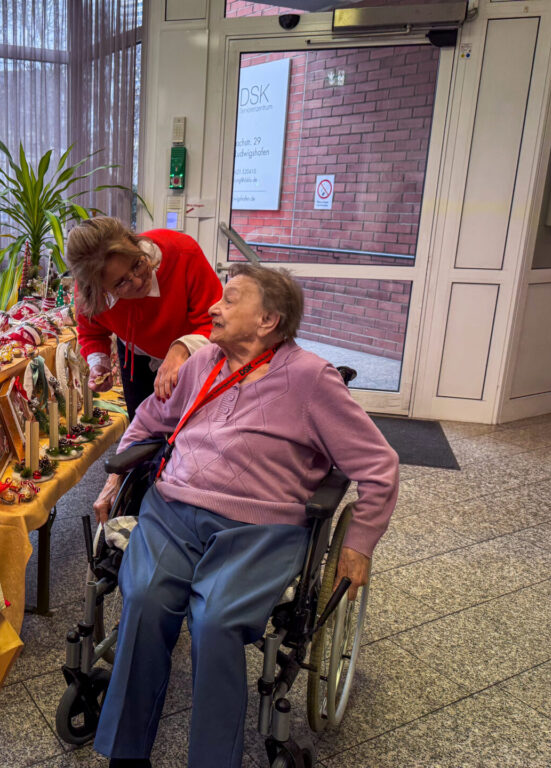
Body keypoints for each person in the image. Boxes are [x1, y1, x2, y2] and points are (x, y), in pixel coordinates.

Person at [91, 264, 399, 768]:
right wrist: (112, 478)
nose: (214, 307)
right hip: (172, 511)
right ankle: (126, 754)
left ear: (267, 320)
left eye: (230, 300)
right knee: (144, 599)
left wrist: (358, 543)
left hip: (260, 528)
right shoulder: (203, 362)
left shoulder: (310, 379)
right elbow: (150, 418)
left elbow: (378, 466)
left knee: (216, 622)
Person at [65, 217, 223, 419]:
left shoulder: (182, 252)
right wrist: (99, 364)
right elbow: (93, 333)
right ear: (100, 290)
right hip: (136, 355)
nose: (138, 280)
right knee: (143, 425)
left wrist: (181, 349)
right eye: (121, 283)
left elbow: (215, 322)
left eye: (137, 264)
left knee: (192, 426)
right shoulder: (90, 295)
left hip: (196, 350)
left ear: (135, 245)